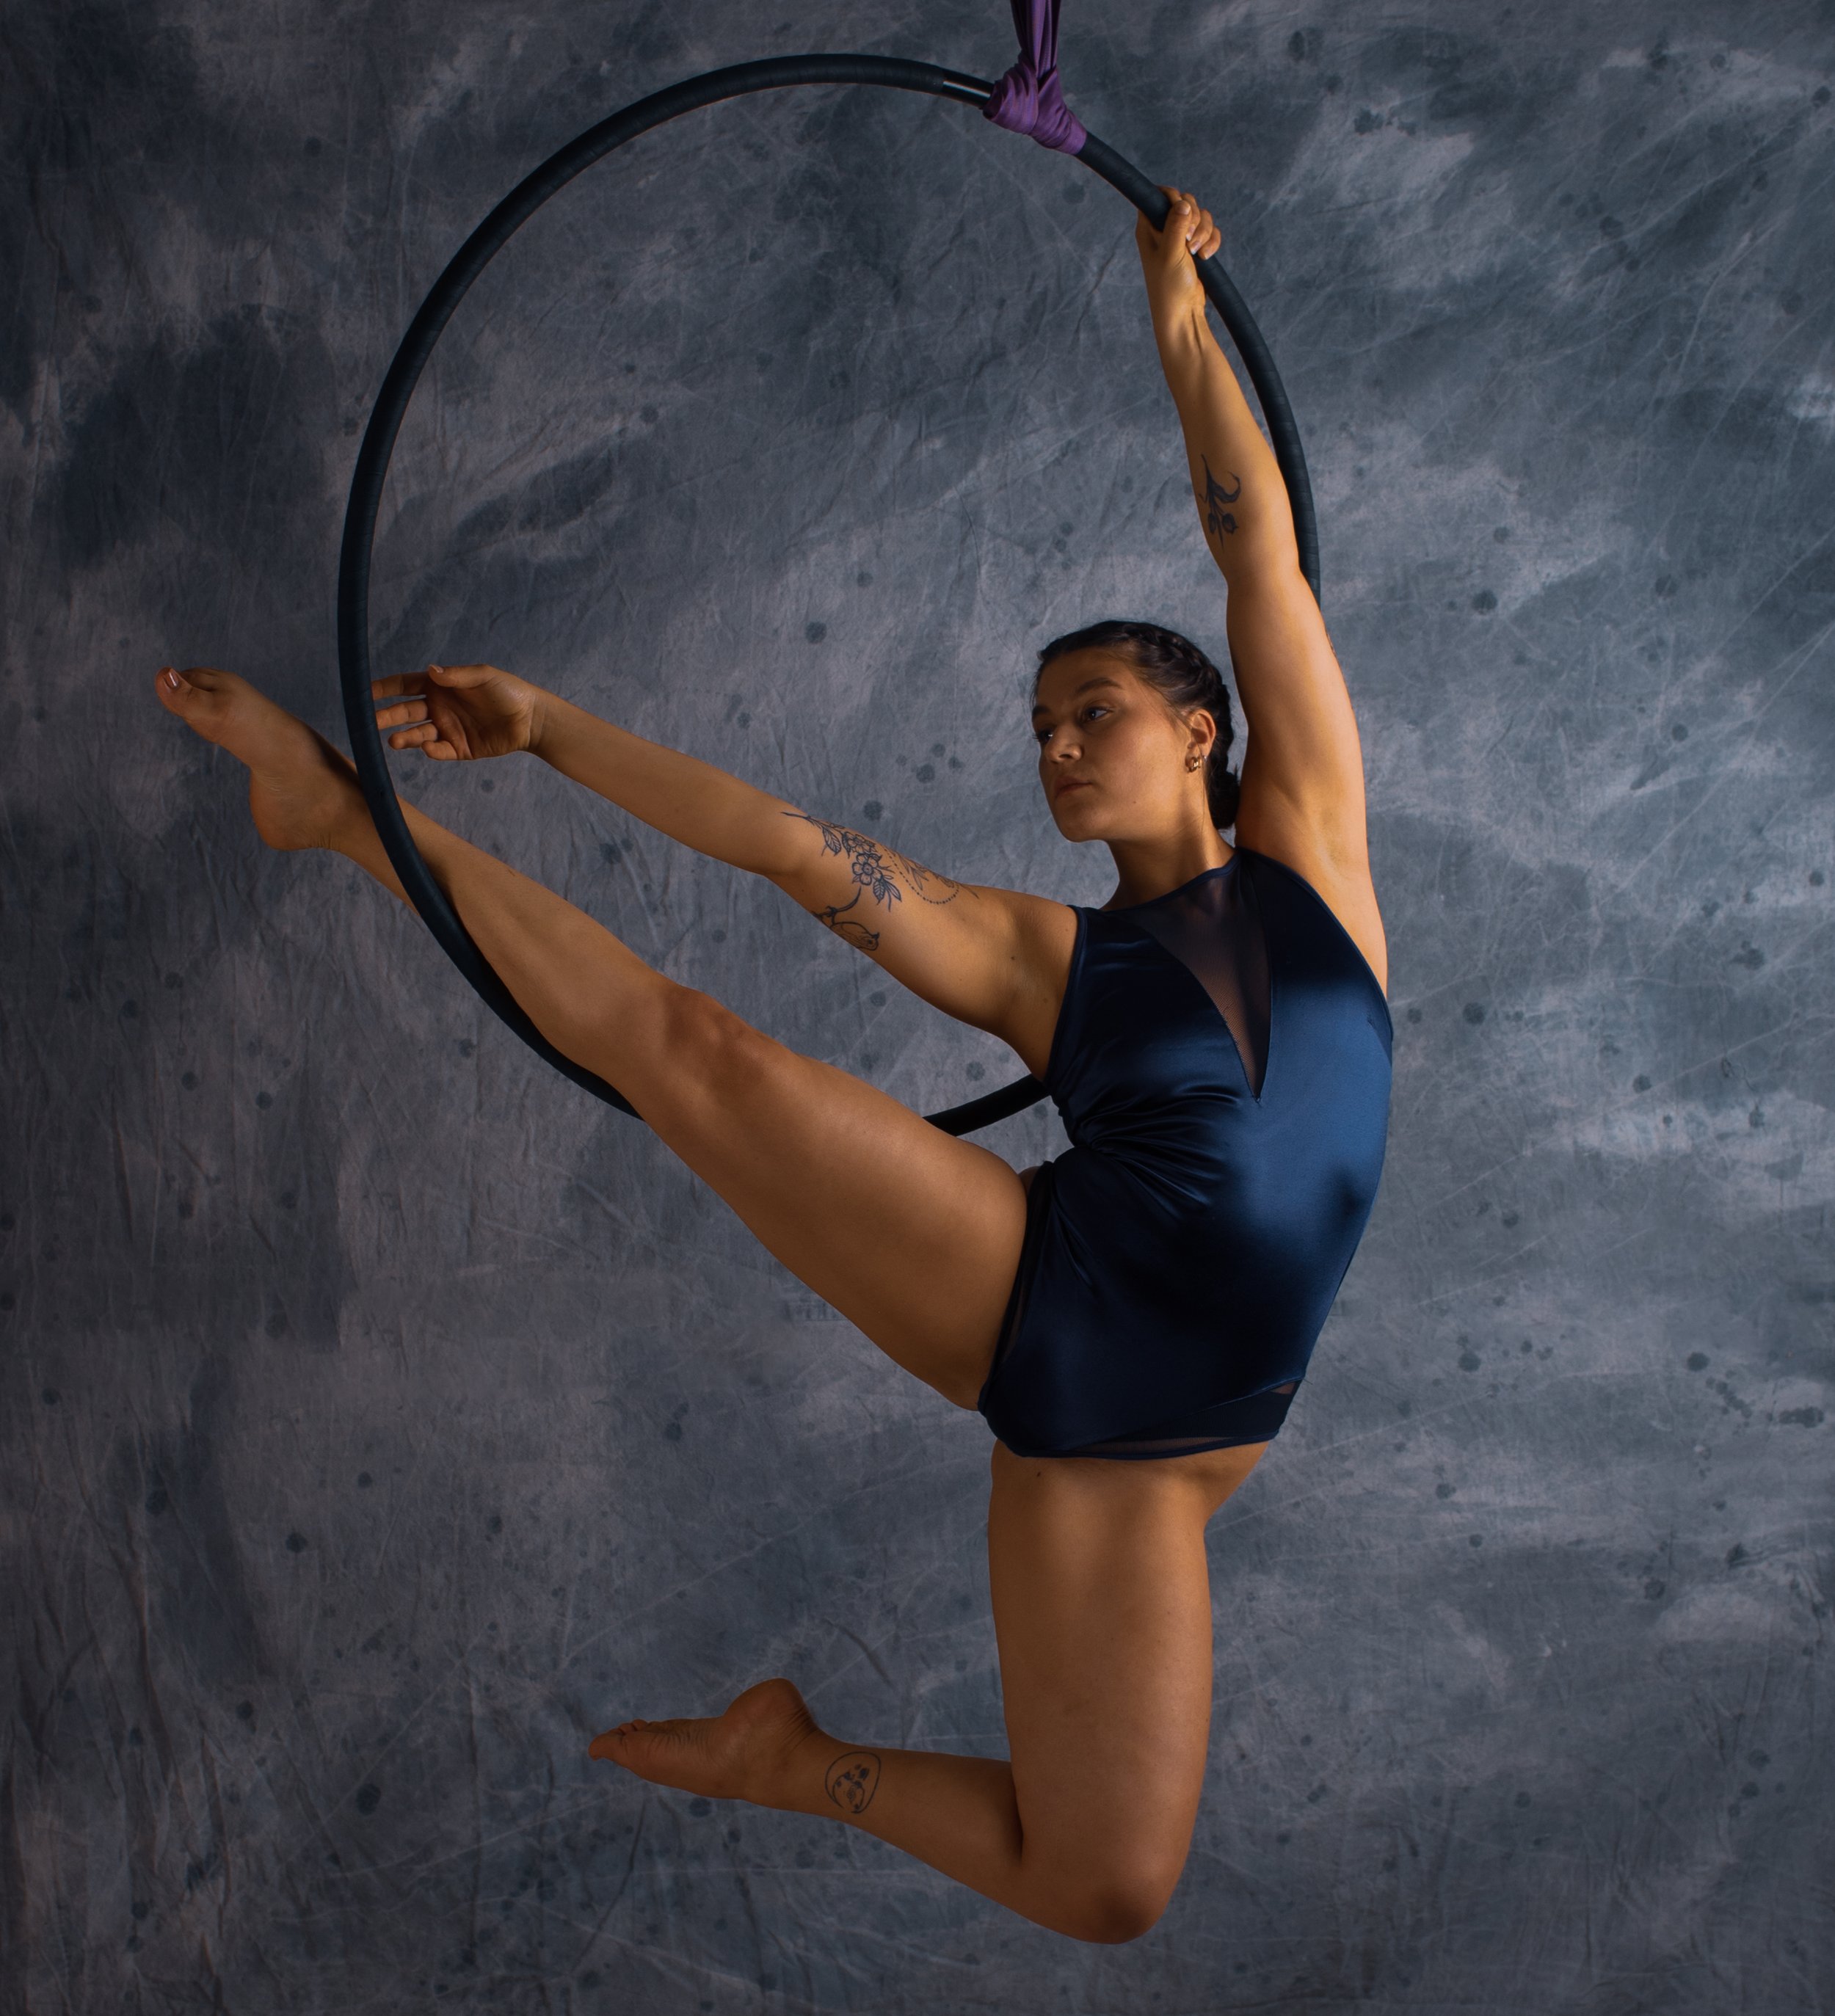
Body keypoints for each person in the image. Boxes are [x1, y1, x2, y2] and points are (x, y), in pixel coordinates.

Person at [154, 191, 1389, 1943]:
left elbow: (1250, 545)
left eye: (1088, 714)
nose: (1053, 749)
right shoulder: (1055, 963)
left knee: (1105, 1884)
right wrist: (552, 730)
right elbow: (803, 853)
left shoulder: (1319, 853)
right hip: (1067, 1316)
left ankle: (782, 1762)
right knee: (700, 1057)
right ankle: (345, 815)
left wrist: (1173, 315)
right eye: (1035, 731)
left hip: (1186, 1454)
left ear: (1198, 731)